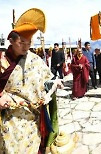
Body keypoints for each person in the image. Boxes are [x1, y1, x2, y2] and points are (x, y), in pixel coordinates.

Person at [0, 8, 63, 153]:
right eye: (21, 42)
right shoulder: (2, 62)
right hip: (11, 118)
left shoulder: (35, 60)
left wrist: (54, 83)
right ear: (11, 41)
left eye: (29, 43)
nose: (26, 47)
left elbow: (47, 79)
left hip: (33, 118)